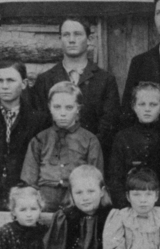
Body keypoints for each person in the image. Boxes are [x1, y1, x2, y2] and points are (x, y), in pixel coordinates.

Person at [24, 16, 119, 157]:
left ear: (90, 40)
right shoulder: (45, 80)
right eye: (66, 35)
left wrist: (87, 149)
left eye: (78, 34)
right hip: (53, 157)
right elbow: (40, 123)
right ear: (60, 39)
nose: (71, 39)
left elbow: (109, 124)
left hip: (91, 156)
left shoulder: (105, 80)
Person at [0, 59, 49, 210]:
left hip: (23, 193)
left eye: (11, 80)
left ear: (24, 84)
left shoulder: (38, 120)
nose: (5, 86)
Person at [20, 82, 104, 212]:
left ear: (78, 109)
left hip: (76, 201)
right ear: (49, 107)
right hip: (44, 202)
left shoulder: (90, 140)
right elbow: (29, 180)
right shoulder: (40, 139)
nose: (63, 113)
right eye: (57, 107)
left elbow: (96, 178)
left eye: (69, 107)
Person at [108, 82, 160, 209]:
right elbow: (116, 178)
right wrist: (125, 206)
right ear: (134, 107)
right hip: (130, 203)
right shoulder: (123, 137)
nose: (147, 109)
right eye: (142, 104)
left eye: (153, 104)